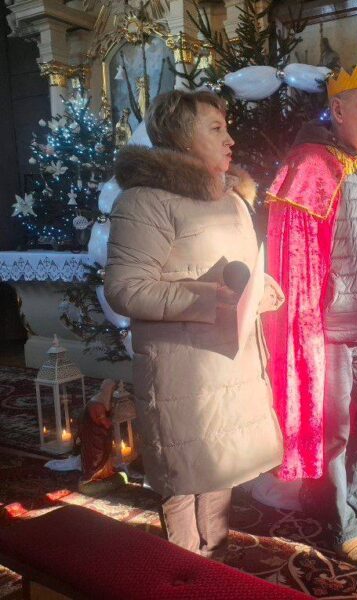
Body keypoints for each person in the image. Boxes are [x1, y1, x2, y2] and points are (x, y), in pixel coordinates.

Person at [104, 90, 285, 560]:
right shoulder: (145, 201)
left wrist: (259, 289)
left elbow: (237, 271)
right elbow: (125, 288)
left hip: (231, 359)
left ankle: (216, 563)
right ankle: (184, 572)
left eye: (227, 128)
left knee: (221, 469)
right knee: (184, 474)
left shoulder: (233, 199)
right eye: (216, 128)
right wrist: (208, 300)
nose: (230, 140)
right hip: (181, 367)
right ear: (183, 137)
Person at [265, 66, 357, 565]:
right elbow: (295, 260)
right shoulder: (309, 164)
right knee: (333, 431)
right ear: (337, 109)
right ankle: (339, 523)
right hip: (328, 330)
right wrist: (305, 327)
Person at [77, 378, 128, 496]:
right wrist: (115, 418)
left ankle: (106, 473)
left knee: (104, 457)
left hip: (99, 436)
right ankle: (93, 477)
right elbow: (105, 423)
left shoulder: (99, 401)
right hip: (95, 438)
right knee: (97, 458)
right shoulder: (98, 405)